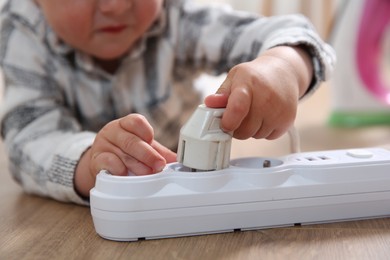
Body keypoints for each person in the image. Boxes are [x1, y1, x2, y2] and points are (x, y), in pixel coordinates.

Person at [0, 0, 335, 205]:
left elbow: (290, 33)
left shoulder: (177, 15)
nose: (116, 5)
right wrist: (91, 164)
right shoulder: (21, 31)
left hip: (190, 184)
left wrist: (284, 67)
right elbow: (29, 140)